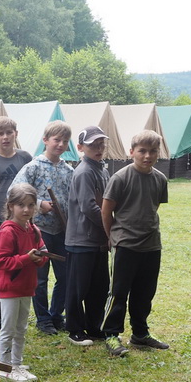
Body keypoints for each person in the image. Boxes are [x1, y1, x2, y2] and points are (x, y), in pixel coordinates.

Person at [100, 130, 170, 357]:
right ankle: (111, 334)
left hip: (151, 244)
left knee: (145, 293)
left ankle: (140, 334)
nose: (147, 156)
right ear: (132, 152)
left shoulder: (160, 179)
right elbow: (106, 210)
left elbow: (153, 207)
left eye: (153, 151)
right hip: (125, 244)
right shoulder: (120, 178)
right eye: (142, 151)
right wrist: (112, 236)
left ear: (158, 153)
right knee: (118, 292)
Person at [12, 121, 73, 335]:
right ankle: (43, 320)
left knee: (65, 276)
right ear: (45, 140)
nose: (61, 144)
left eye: (65, 141)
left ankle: (56, 315)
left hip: (63, 231)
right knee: (40, 278)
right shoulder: (33, 167)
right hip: (39, 230)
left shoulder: (68, 170)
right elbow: (15, 191)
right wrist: (39, 205)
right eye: (57, 140)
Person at [0, 183, 48, 382]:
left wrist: (40, 258)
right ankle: (5, 366)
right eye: (21, 205)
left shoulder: (34, 230)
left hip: (27, 286)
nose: (26, 210)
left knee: (21, 328)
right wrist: (27, 258)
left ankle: (16, 363)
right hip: (10, 288)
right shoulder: (7, 231)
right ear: (10, 206)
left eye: (31, 205)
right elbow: (1, 262)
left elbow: (43, 253)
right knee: (8, 329)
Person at [0, 116, 34, 330]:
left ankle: (5, 311)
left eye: (9, 133)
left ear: (16, 134)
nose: (5, 137)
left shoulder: (25, 157)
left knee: (15, 265)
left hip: (18, 221)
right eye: (0, 133)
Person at [64, 126, 111, 347]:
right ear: (81, 147)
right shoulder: (84, 172)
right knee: (78, 289)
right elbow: (89, 207)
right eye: (93, 145)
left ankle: (94, 327)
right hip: (81, 241)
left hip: (98, 242)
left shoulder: (102, 170)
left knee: (99, 288)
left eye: (101, 144)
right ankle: (74, 329)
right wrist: (110, 227)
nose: (98, 148)